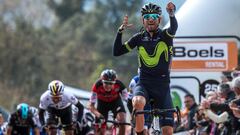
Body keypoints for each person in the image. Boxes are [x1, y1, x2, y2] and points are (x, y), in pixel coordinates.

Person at [113, 2, 178, 135]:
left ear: (159, 19)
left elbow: (174, 28)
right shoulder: (139, 38)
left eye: (154, 16)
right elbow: (117, 51)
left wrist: (171, 14)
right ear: (143, 20)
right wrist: (120, 31)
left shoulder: (166, 36)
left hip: (162, 85)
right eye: (147, 16)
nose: (150, 19)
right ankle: (140, 133)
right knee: (137, 101)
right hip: (144, 83)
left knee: (168, 132)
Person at [88, 69, 128, 135]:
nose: (108, 85)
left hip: (116, 102)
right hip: (102, 104)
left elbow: (128, 101)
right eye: (106, 83)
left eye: (111, 83)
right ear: (102, 81)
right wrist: (98, 114)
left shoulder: (120, 85)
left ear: (114, 82)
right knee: (100, 131)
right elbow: (90, 105)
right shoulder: (97, 85)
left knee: (122, 121)